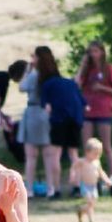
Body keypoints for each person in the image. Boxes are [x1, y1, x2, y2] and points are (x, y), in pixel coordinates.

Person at [76, 40, 112, 178]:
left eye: (95, 51)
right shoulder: (86, 70)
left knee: (106, 146)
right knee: (87, 146)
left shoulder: (109, 69)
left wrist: (102, 88)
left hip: (104, 111)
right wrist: (83, 65)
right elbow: (76, 84)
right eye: (90, 52)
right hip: (88, 111)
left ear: (102, 52)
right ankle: (87, 178)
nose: (93, 54)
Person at [42, 60, 86, 199]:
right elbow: (84, 104)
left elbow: (47, 108)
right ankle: (77, 187)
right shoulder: (70, 83)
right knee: (73, 154)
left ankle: (56, 190)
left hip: (59, 119)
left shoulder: (47, 85)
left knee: (56, 154)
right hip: (75, 118)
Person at [18, 47, 54, 196]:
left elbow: (22, 87)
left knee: (31, 156)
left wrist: (27, 69)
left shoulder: (34, 75)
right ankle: (51, 188)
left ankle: (30, 189)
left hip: (33, 112)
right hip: (48, 114)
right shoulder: (52, 75)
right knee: (48, 155)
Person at [71, 137, 112, 222]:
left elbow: (101, 172)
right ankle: (91, 221)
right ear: (87, 152)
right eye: (95, 154)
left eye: (99, 154)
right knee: (90, 202)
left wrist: (107, 180)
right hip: (85, 185)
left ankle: (81, 210)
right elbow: (73, 167)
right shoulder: (82, 161)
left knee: (92, 204)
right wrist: (73, 176)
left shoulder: (97, 162)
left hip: (93, 186)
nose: (97, 156)